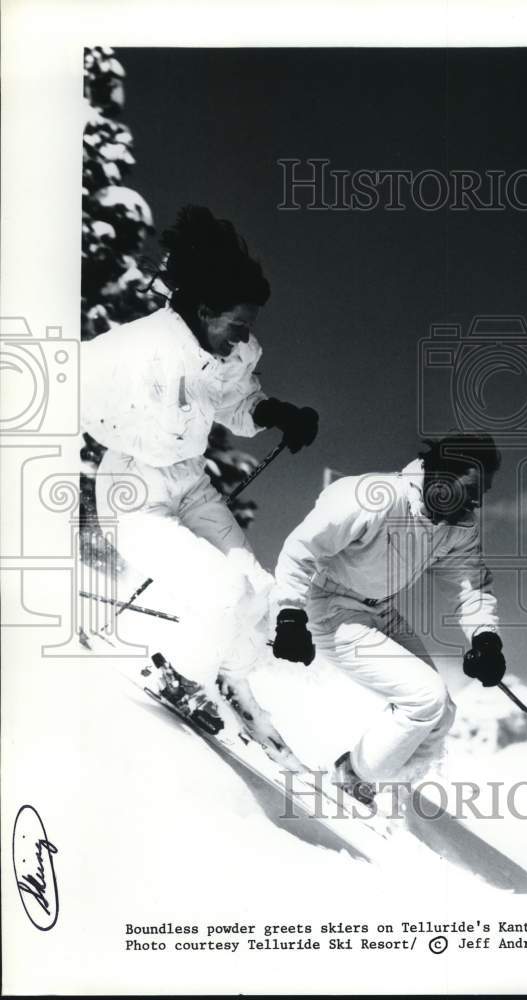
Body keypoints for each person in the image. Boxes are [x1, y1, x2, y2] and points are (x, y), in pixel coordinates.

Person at [81, 205, 319, 745]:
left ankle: (230, 679)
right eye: (235, 326)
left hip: (189, 483)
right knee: (223, 591)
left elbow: (236, 399)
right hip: (133, 492)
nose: (241, 341)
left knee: (255, 592)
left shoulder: (222, 350)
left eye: (247, 330)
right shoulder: (139, 348)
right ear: (206, 308)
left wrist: (276, 413)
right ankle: (176, 676)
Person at [270, 432, 506, 806]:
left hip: (379, 610)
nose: (476, 501)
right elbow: (302, 549)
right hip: (330, 606)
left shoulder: (455, 526)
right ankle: (353, 779)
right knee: (424, 698)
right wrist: (289, 616)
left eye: (483, 492)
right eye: (472, 487)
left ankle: (388, 791)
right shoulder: (372, 497)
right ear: (444, 472)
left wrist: (486, 640)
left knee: (442, 713)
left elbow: (470, 585)